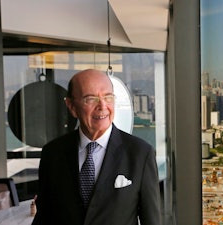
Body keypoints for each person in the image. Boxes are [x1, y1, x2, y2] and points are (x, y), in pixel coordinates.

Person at [32, 69, 161, 225]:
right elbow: (44, 217)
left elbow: (152, 221)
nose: (102, 106)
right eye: (90, 99)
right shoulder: (52, 154)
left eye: (108, 97)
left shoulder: (140, 154)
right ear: (71, 106)